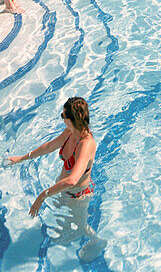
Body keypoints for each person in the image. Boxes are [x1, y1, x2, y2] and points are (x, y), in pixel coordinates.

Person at [8, 97, 100, 257]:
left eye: (63, 116)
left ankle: (97, 241)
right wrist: (22, 158)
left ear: (72, 120)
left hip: (77, 195)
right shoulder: (71, 132)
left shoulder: (86, 144)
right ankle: (68, 230)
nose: (62, 118)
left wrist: (42, 195)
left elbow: (72, 180)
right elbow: (50, 146)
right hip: (62, 189)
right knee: (62, 215)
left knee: (80, 226)